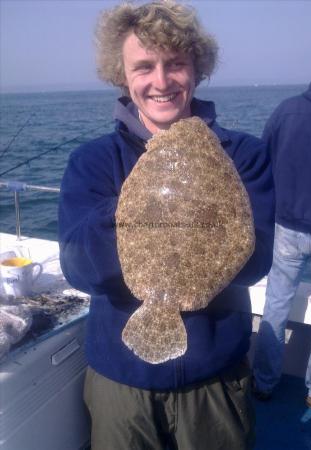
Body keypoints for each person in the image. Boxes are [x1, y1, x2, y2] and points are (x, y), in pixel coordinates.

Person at [58, 1, 274, 449]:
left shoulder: (244, 155)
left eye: (175, 64)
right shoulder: (93, 161)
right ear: (122, 74)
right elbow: (79, 269)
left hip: (212, 379)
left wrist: (192, 202)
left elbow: (255, 262)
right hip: (121, 379)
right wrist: (142, 203)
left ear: (197, 68)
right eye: (144, 67)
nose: (160, 81)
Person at [253, 40, 311, 409]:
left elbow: (262, 164)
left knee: (276, 304)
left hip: (286, 229)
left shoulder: (285, 111)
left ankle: (264, 383)